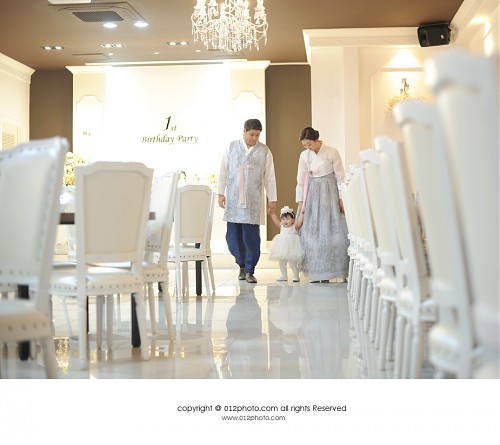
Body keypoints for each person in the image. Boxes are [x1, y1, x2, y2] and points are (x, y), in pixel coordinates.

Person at [217, 118, 277, 283]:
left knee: (251, 237)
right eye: (251, 134)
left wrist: (272, 199)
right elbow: (223, 170)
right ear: (244, 131)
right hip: (234, 199)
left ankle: (250, 270)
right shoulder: (231, 147)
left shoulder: (264, 151)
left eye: (257, 135)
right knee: (233, 237)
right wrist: (220, 193)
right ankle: (241, 265)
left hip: (253, 200)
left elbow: (270, 176)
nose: (254, 138)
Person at [295, 126, 349, 283]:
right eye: (304, 145)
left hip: (329, 193)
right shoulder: (304, 155)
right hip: (311, 194)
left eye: (309, 144)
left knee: (332, 233)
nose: (307, 147)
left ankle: (332, 270)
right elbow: (300, 179)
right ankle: (314, 272)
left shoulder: (332, 152)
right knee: (311, 233)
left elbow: (340, 176)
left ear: (316, 140)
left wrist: (342, 198)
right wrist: (300, 201)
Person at [269, 205, 304, 282]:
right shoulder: (281, 226)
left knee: (292, 263)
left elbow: (300, 222)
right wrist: (272, 214)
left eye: (288, 219)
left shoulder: (294, 226)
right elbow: (276, 220)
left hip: (292, 248)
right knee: (282, 262)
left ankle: (296, 276)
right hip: (283, 248)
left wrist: (302, 214)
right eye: (283, 219)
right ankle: (284, 275)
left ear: (293, 220)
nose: (285, 221)